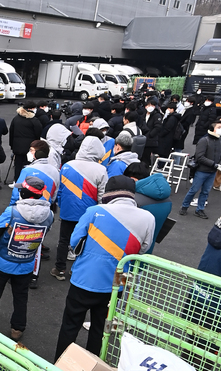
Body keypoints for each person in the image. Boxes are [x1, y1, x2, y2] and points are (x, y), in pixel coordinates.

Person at [54, 176, 155, 359]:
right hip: (117, 283)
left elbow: (74, 241)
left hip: (85, 278)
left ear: (109, 193)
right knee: (100, 328)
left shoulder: (94, 211)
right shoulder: (148, 217)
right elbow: (145, 247)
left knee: (70, 325)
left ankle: (61, 365)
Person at [0, 177, 54, 341]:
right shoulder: (49, 214)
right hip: (27, 262)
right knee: (21, 296)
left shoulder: (12, 211)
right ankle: (17, 329)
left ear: (24, 192)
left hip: (3, 260)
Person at [50, 137, 108, 281]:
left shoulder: (68, 165)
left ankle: (59, 268)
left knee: (64, 240)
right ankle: (77, 270)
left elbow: (60, 190)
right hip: (89, 212)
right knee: (86, 242)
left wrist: (61, 206)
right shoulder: (101, 170)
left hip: (68, 211)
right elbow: (102, 196)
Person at [180, 120, 221, 219]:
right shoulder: (204, 140)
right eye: (219, 127)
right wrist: (215, 165)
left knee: (206, 192)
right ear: (213, 129)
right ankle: (184, 206)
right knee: (194, 190)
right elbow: (200, 157)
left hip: (212, 171)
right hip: (202, 171)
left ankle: (200, 209)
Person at [125, 161, 172, 253]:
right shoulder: (167, 200)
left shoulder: (133, 199)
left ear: (132, 179)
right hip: (148, 248)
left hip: (130, 250)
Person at [11, 140, 60, 204]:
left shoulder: (27, 170)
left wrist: (12, 206)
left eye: (31, 150)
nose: (29, 152)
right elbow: (56, 193)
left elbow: (16, 193)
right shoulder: (55, 171)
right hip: (47, 207)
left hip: (26, 206)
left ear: (38, 153)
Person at [8, 101, 42, 185]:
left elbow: (11, 132)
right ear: (30, 109)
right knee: (30, 164)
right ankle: (29, 182)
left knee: (18, 164)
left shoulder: (16, 118)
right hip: (30, 147)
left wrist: (12, 145)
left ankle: (16, 181)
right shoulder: (34, 120)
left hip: (17, 146)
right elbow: (38, 133)